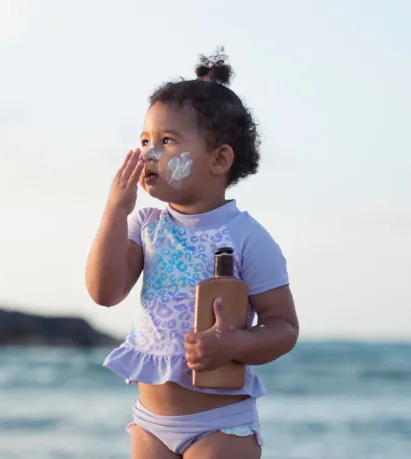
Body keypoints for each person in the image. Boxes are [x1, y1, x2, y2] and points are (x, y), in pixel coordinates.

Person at [85, 48, 300, 459]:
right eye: (144, 140)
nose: (148, 154)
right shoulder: (145, 225)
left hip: (220, 427)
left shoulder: (248, 237)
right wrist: (115, 210)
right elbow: (104, 291)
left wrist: (234, 344)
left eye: (166, 142)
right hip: (150, 424)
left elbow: (284, 327)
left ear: (219, 159)